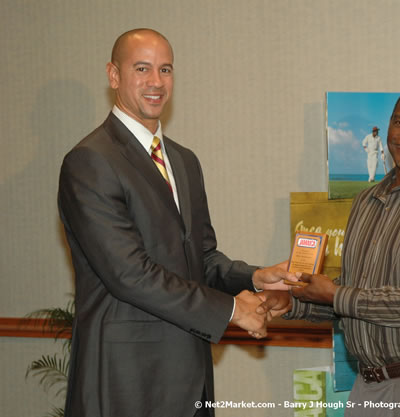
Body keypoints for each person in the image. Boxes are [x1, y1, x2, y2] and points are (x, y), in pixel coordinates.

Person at [57, 28, 295, 417]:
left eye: (165, 69)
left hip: (191, 379)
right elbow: (129, 274)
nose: (156, 82)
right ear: (113, 75)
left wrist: (254, 278)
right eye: (142, 69)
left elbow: (200, 256)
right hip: (126, 382)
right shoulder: (90, 161)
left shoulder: (183, 160)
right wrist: (232, 310)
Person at [261, 83, 400, 417]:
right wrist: (295, 303)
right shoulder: (366, 202)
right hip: (367, 386)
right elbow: (358, 297)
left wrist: (336, 295)